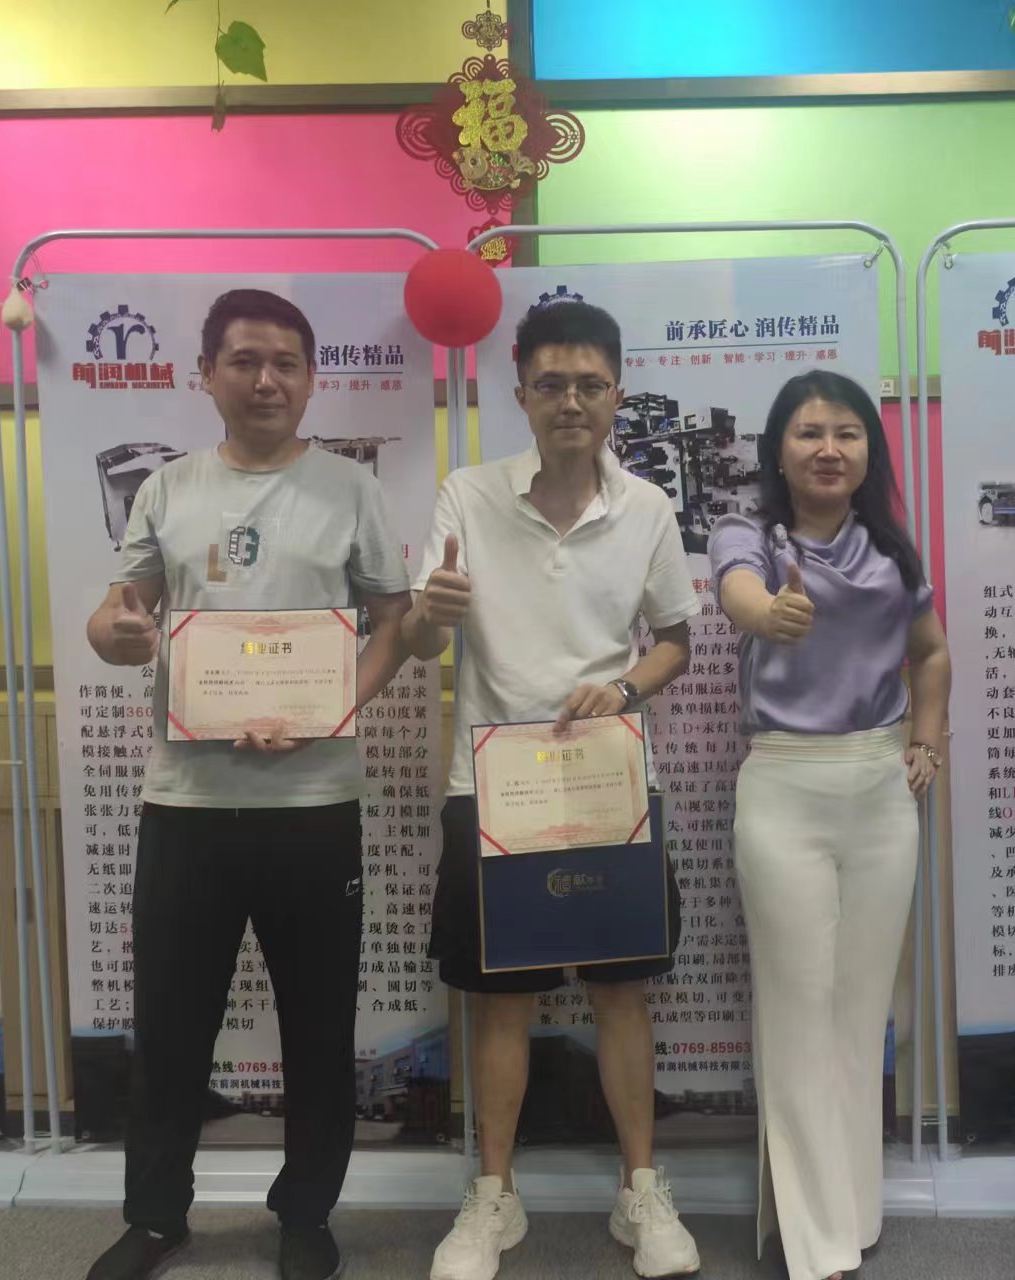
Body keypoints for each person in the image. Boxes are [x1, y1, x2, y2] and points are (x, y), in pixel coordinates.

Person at [81, 289, 415, 1280]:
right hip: (187, 804)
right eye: (244, 361)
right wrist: (117, 633)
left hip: (313, 805)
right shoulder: (167, 489)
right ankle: (156, 1215)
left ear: (310, 378)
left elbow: (395, 621)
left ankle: (306, 1212)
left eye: (286, 362)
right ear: (207, 375)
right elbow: (118, 611)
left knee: (317, 1022)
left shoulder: (350, 489)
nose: (266, 380)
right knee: (171, 1023)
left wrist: (328, 707)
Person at [403, 300, 702, 1280]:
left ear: (616, 393)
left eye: (589, 384)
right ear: (521, 393)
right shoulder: (466, 495)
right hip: (493, 783)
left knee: (621, 990)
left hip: (608, 777)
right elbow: (421, 638)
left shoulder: (647, 508)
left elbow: (675, 640)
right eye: (551, 384)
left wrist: (625, 688)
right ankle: (493, 1195)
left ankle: (640, 1189)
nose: (570, 401)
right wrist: (432, 611)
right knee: (501, 1002)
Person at [710, 371, 951, 1280]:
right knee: (797, 1003)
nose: (828, 449)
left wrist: (927, 738)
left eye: (847, 433)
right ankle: (813, 1245)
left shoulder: (891, 551)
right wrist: (771, 614)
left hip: (881, 788)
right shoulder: (750, 534)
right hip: (784, 785)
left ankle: (849, 1211)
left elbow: (932, 653)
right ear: (778, 449)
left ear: (868, 452)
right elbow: (738, 594)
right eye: (809, 432)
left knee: (858, 1010)